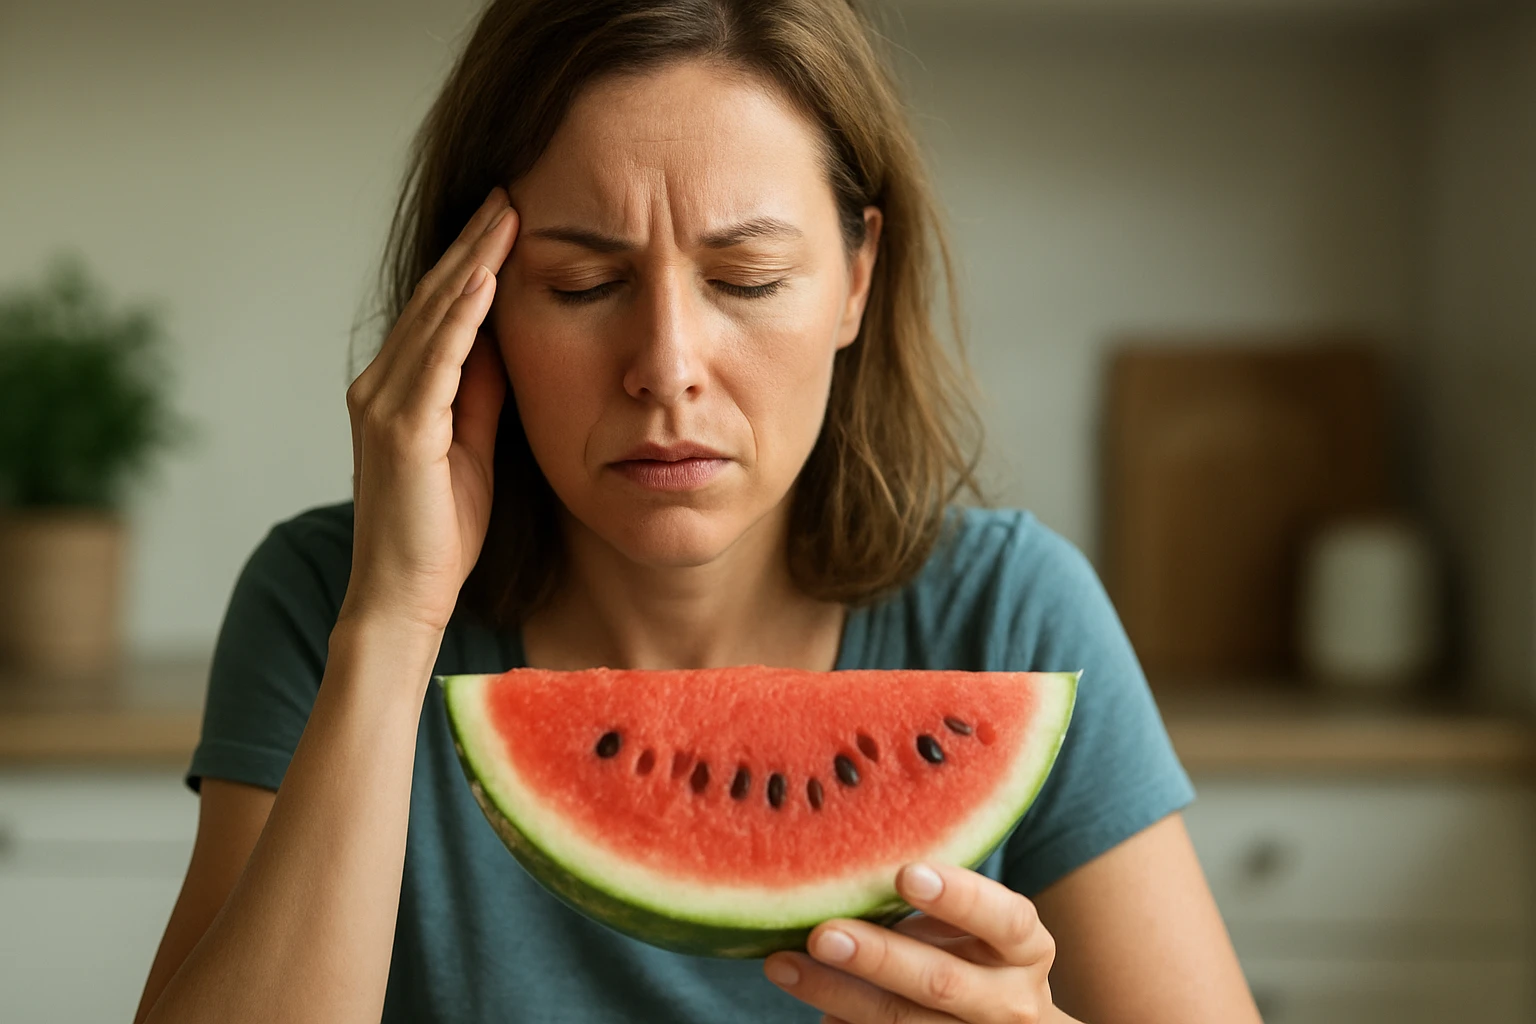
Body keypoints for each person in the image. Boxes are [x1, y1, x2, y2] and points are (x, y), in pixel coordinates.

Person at [133, 1, 1261, 1021]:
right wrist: (393, 623)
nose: (667, 367)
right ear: (473, 307)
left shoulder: (1010, 612)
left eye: (747, 279)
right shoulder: (326, 601)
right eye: (583, 285)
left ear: (856, 278)